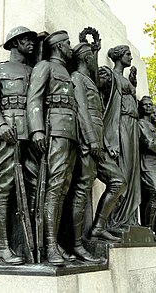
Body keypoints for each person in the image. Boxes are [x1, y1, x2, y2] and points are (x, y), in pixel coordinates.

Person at [27, 30, 101, 265]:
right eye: (68, 44)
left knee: (63, 189)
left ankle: (55, 242)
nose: (71, 48)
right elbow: (34, 99)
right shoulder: (45, 67)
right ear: (59, 46)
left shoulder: (69, 74)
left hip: (72, 136)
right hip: (55, 132)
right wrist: (37, 130)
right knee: (55, 187)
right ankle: (49, 246)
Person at [0, 26, 37, 264]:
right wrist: (0, 126)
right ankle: (4, 246)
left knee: (35, 186)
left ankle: (36, 244)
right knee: (5, 187)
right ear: (15, 43)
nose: (31, 44)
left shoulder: (35, 70)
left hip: (34, 135)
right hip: (10, 134)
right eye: (26, 40)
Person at [70, 42, 126, 254]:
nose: (95, 60)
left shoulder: (89, 81)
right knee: (82, 190)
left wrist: (101, 143)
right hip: (87, 144)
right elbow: (82, 111)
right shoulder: (77, 78)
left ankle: (98, 227)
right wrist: (92, 141)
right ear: (86, 59)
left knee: (119, 181)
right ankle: (77, 245)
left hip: (98, 146)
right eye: (92, 57)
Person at [99, 45, 141, 230]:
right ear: (118, 57)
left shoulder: (125, 80)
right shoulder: (111, 75)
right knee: (123, 168)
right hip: (121, 124)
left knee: (132, 170)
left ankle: (130, 218)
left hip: (133, 126)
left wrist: (133, 85)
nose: (131, 58)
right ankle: (117, 218)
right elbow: (100, 88)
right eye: (127, 54)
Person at [138, 96, 156, 233]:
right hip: (148, 165)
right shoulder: (141, 123)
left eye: (150, 105)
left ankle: (154, 232)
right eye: (145, 105)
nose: (148, 107)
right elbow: (149, 143)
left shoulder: (154, 129)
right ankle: (148, 229)